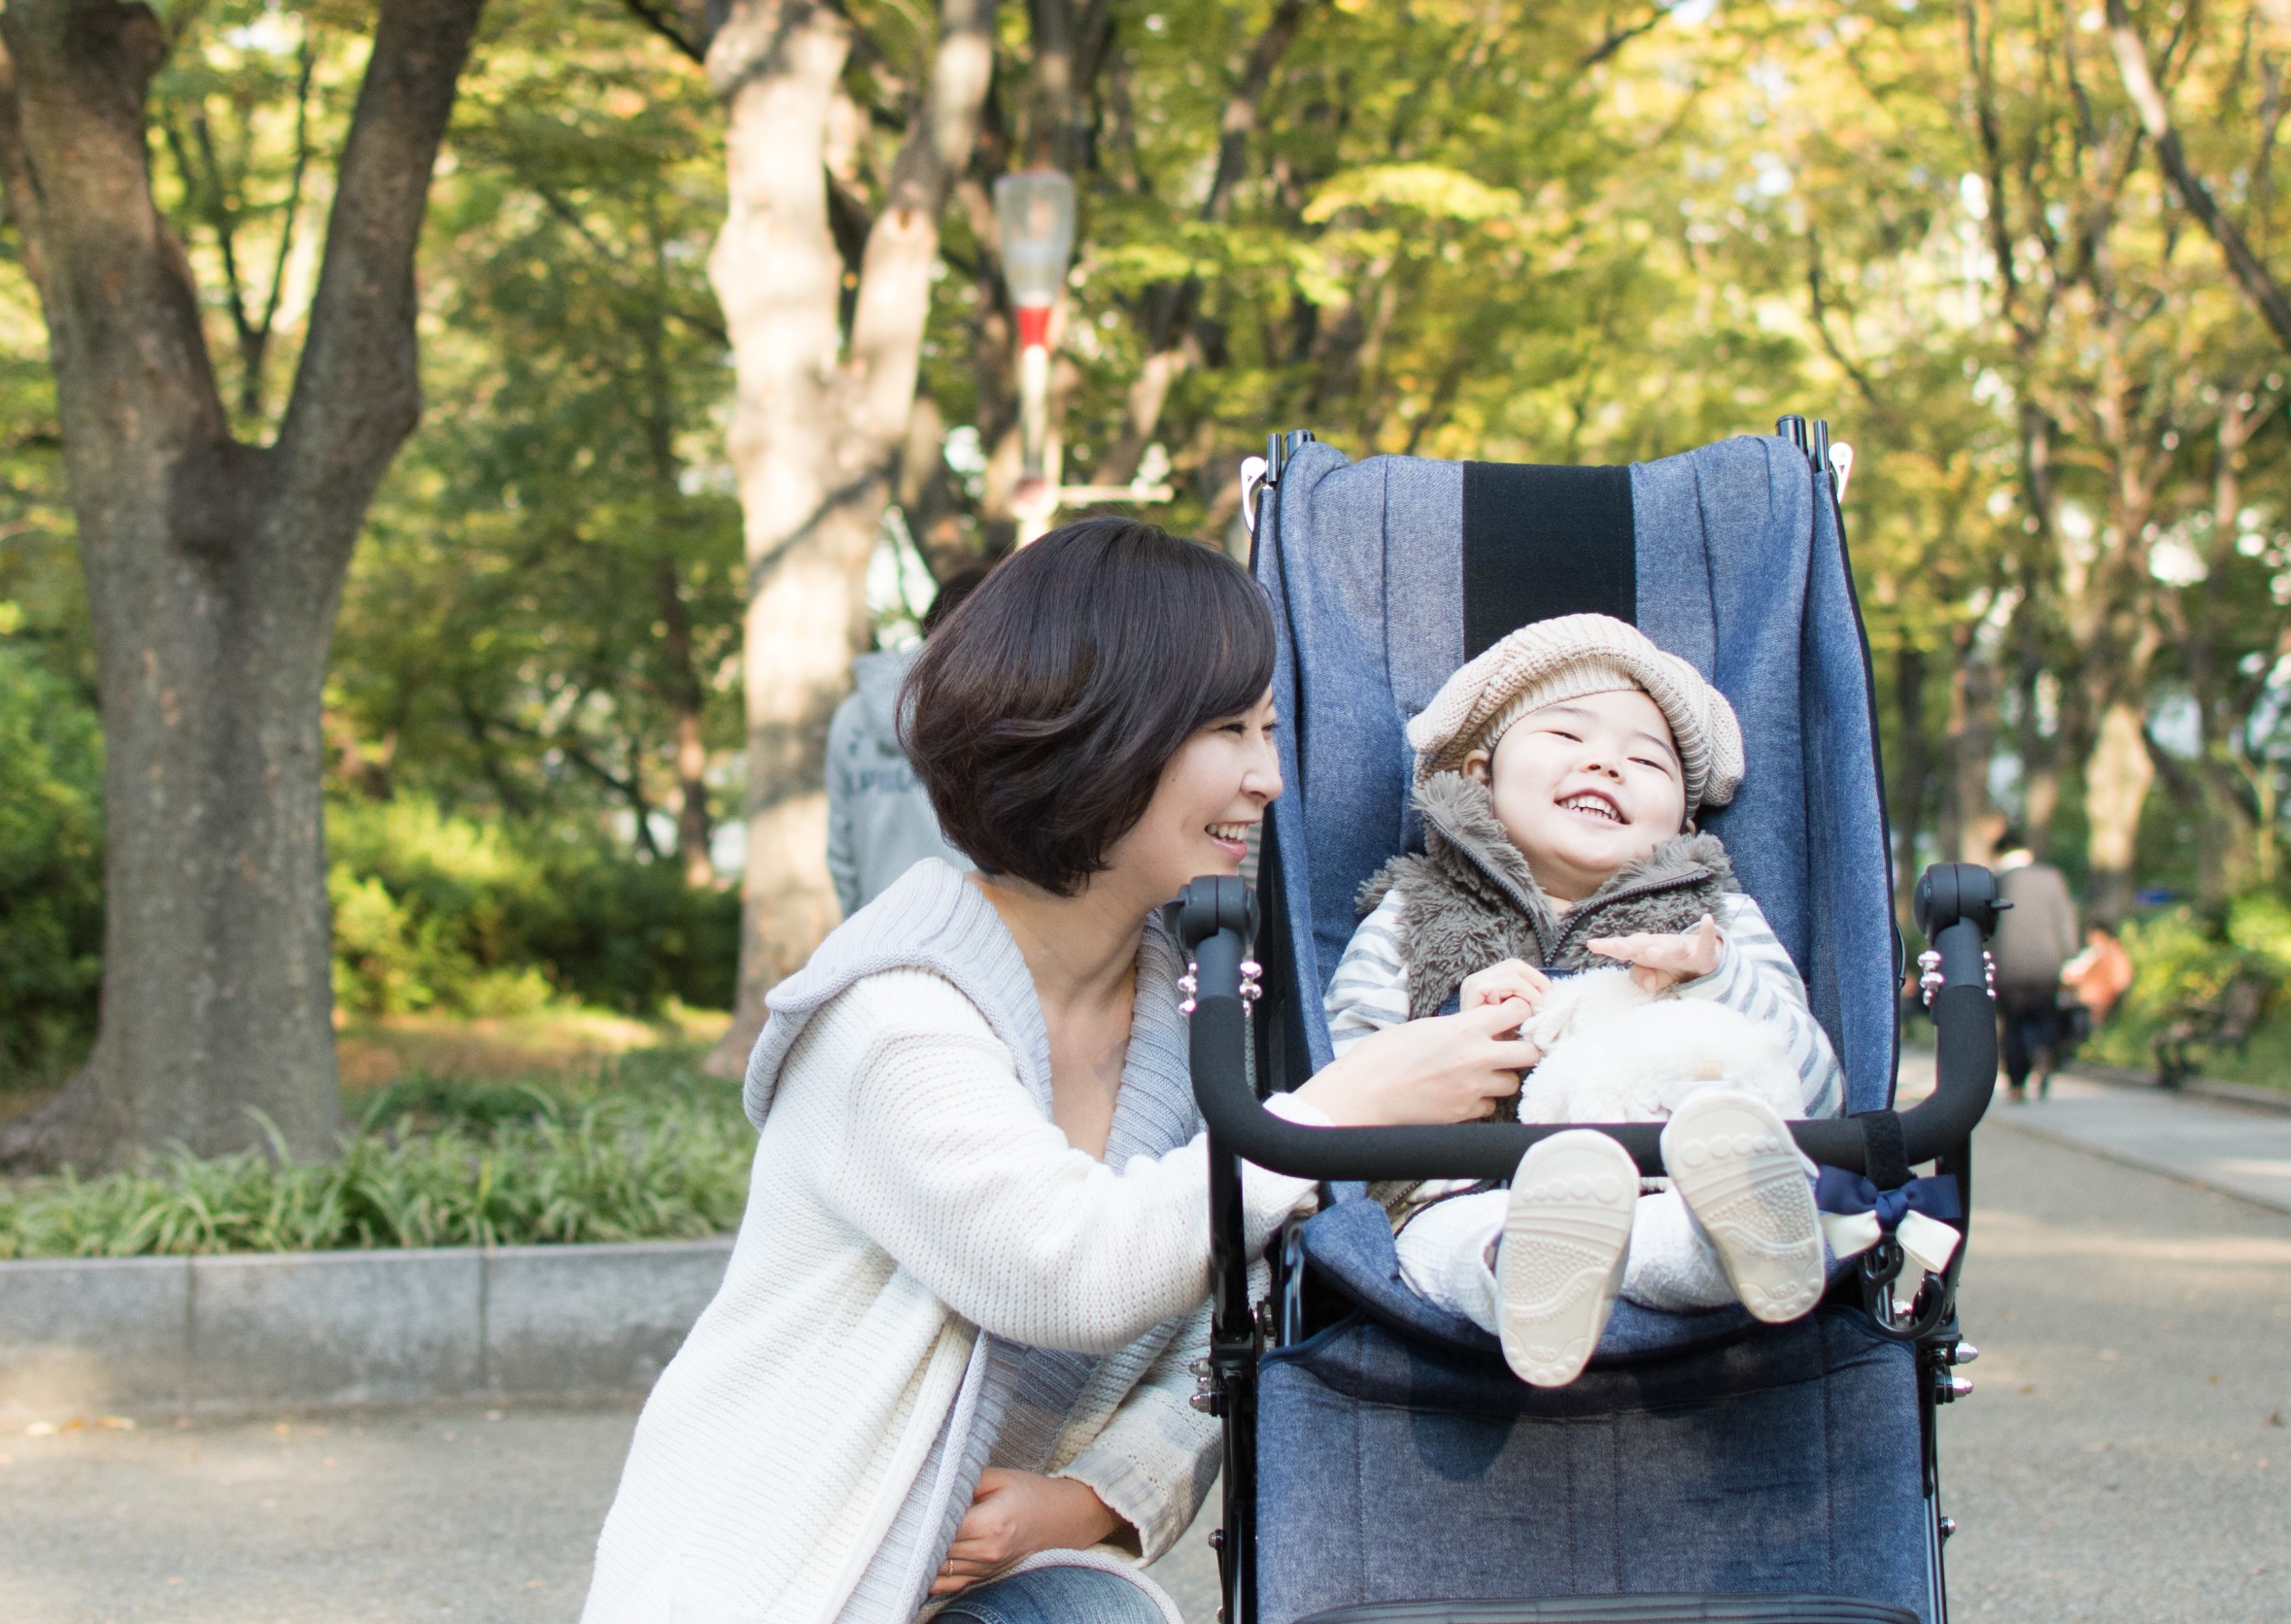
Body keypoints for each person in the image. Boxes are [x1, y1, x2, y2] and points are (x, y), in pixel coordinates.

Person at [580, 520, 1536, 1624]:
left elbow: (1235, 1306)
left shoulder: (1189, 1009)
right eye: (1226, 728)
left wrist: (1085, 1500)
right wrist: (1328, 1115)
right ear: (1100, 733)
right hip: (788, 1577)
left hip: (986, 1576)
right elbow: (1066, 1267)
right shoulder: (894, 1016)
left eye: (1269, 730)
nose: (1268, 776)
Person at [1324, 614, 1846, 1388]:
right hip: (1464, 1192)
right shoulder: (1411, 911)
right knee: (1443, 1240)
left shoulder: (1716, 923)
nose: (1605, 763)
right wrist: (1453, 1029)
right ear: (1478, 774)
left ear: (1686, 820)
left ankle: (1747, 1230)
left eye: (1647, 760)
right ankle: (1523, 1269)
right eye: (1566, 738)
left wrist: (1712, 979)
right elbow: (1339, 1079)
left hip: (1670, 1180)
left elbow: (1818, 1091)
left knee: (1684, 1229)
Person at [826, 568, 990, 916]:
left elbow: (841, 849)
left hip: (876, 925)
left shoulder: (852, 717)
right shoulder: (990, 713)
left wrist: (856, 923)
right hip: (975, 926)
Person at [1990, 829, 2079, 1100]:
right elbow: (2065, 920)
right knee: (2044, 1015)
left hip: (2008, 966)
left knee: (2013, 1024)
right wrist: (2070, 955)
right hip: (2046, 963)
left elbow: (1986, 929)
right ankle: (2044, 1052)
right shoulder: (2051, 878)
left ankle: (2016, 1084)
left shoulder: (1996, 881)